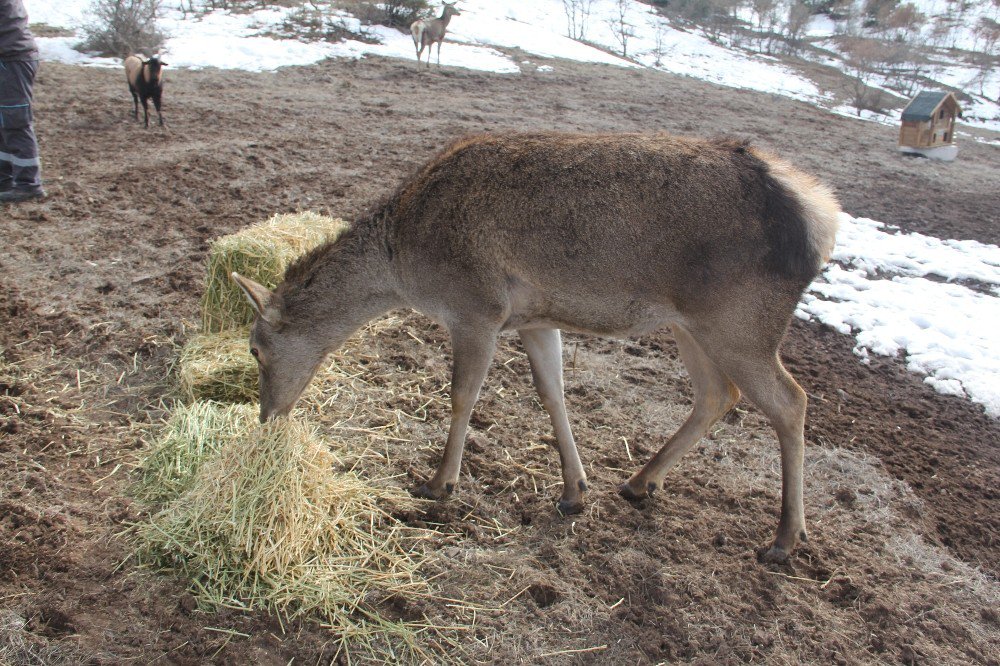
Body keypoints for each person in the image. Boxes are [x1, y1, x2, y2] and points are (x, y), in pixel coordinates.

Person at [0, 0, 44, 202]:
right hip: (10, 57)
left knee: (15, 119)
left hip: (13, 58)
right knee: (4, 121)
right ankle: (6, 178)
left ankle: (28, 185)